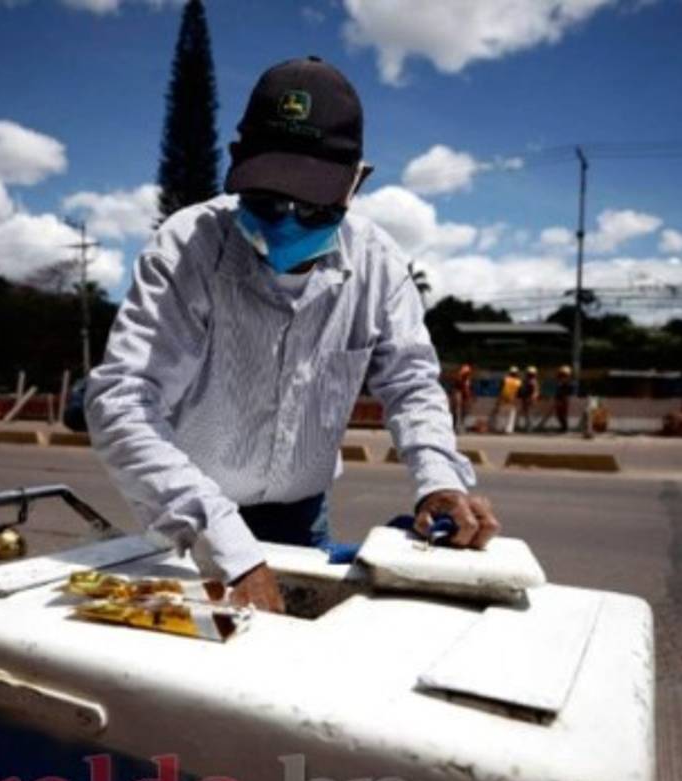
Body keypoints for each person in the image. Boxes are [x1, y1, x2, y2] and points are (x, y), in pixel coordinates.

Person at [85, 57, 500, 614]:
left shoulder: (378, 264)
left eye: (311, 206)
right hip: (191, 510)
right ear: (236, 165)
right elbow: (123, 400)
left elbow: (411, 384)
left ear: (356, 182)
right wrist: (229, 545)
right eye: (265, 200)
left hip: (300, 513)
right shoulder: (188, 247)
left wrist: (439, 480)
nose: (285, 221)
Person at [492, 366, 521, 433]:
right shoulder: (518, 382)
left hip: (503, 399)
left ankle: (499, 428)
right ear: (516, 373)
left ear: (510, 372)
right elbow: (519, 393)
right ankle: (508, 430)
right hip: (512, 400)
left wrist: (498, 400)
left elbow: (500, 390)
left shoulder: (505, 379)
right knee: (510, 416)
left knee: (501, 414)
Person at [518, 365, 540, 432]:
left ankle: (530, 427)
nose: (530, 375)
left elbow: (535, 392)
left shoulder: (532, 382)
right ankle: (528, 427)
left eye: (531, 374)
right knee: (527, 414)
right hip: (526, 399)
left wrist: (532, 399)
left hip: (529, 400)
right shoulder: (527, 381)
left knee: (529, 414)